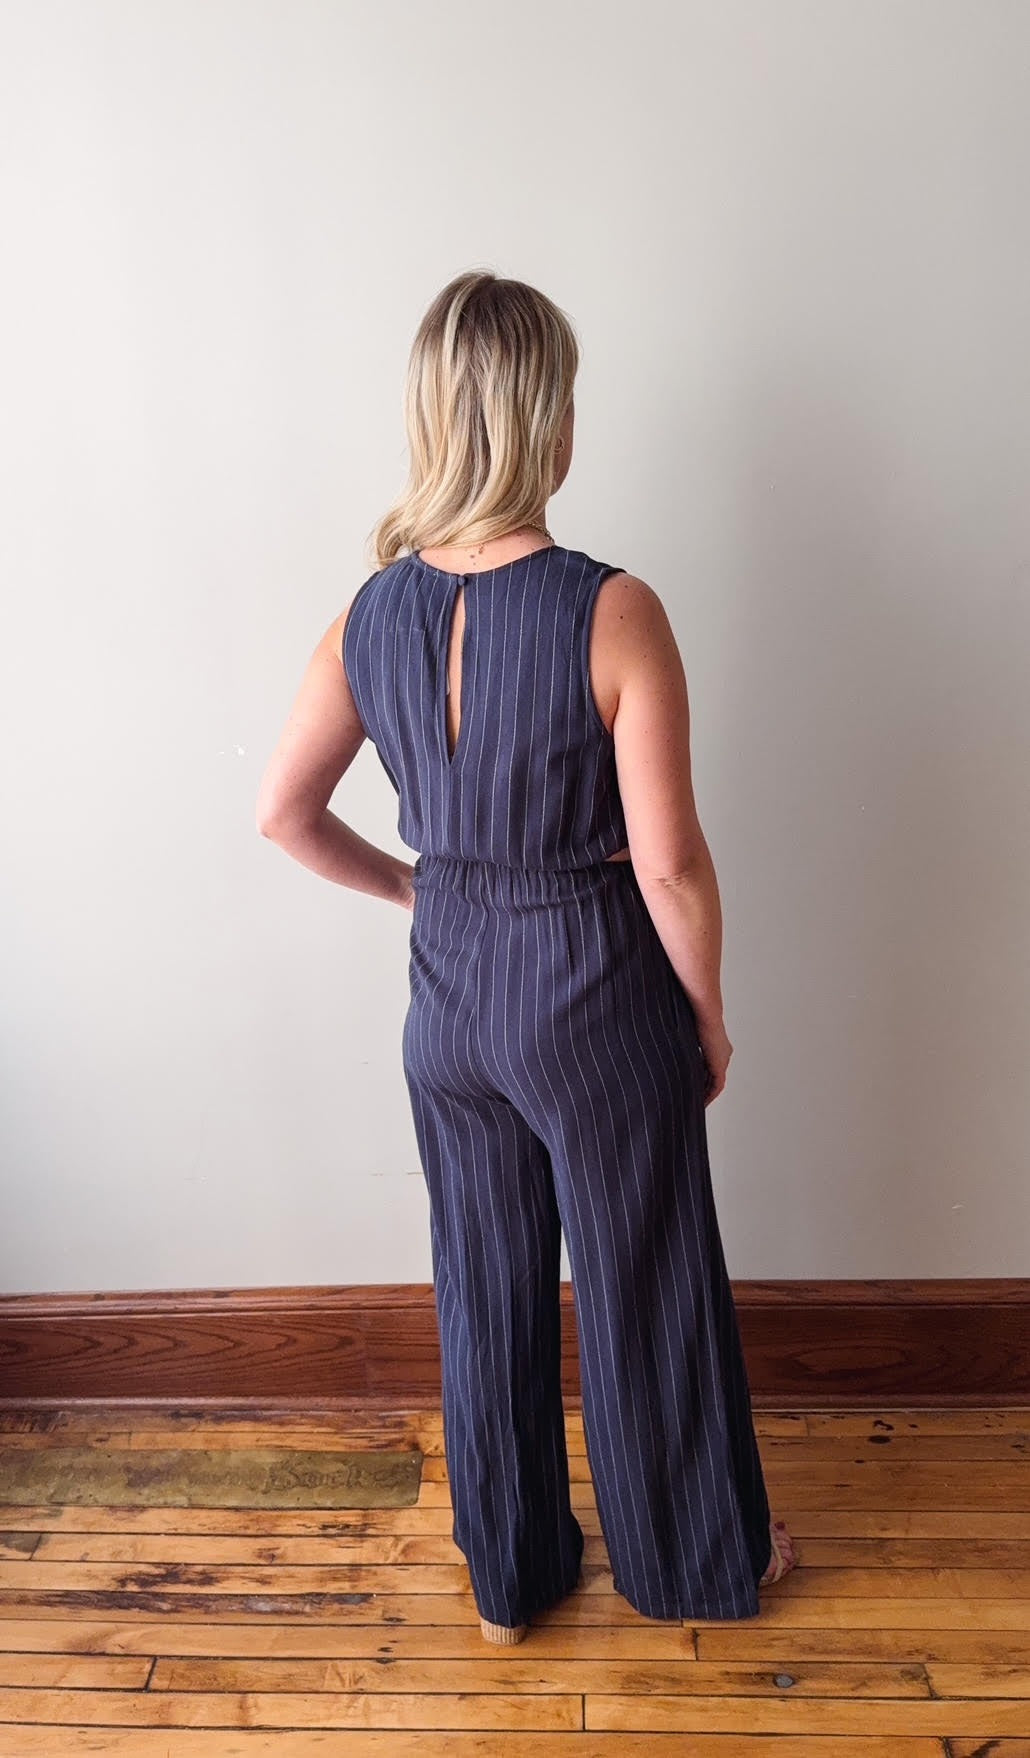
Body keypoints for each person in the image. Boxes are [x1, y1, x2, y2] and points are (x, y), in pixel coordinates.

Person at [256, 270, 797, 1644]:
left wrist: (416, 892)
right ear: (548, 419)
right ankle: (681, 1563)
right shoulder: (610, 609)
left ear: (432, 417)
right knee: (643, 1269)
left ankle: (510, 1584)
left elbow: (281, 811)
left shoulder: (362, 617)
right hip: (591, 988)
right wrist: (707, 1013)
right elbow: (668, 861)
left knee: (482, 1279)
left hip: (447, 999)